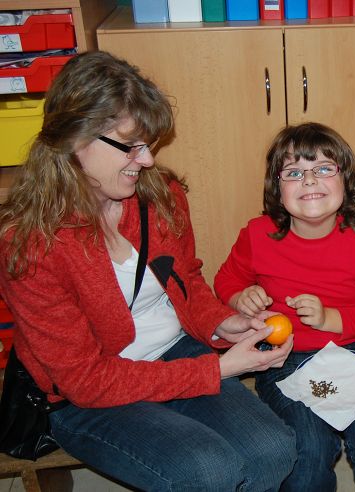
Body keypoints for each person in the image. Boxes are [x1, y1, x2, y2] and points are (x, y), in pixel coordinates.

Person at [0, 51, 297, 491]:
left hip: (174, 350)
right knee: (207, 470)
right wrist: (215, 370)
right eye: (131, 146)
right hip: (87, 395)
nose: (147, 161)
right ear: (74, 138)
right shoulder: (29, 244)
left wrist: (223, 323)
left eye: (148, 145)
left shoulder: (160, 195)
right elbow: (84, 380)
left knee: (274, 448)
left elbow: (186, 281)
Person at [214, 122, 355, 492]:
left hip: (349, 351)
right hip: (280, 355)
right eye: (294, 172)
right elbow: (226, 280)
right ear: (277, 188)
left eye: (323, 168)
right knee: (309, 448)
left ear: (346, 179)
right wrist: (241, 298)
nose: (309, 180)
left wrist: (328, 318)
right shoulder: (257, 233)